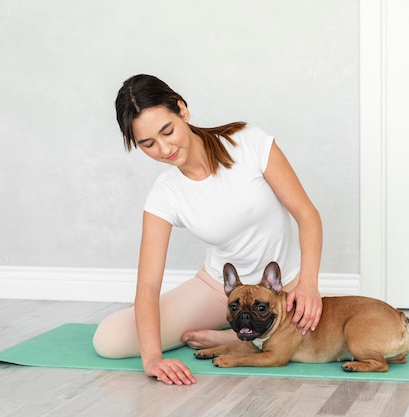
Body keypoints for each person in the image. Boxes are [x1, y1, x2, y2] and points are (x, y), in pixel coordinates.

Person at [93, 74, 323, 386]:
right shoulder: (165, 194)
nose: (164, 148)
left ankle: (234, 336)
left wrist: (308, 285)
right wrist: (153, 358)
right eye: (148, 144)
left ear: (182, 110)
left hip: (283, 288)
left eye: (167, 131)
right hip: (220, 290)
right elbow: (148, 284)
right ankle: (244, 331)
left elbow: (306, 213)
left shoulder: (248, 143)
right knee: (108, 339)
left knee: (324, 337)